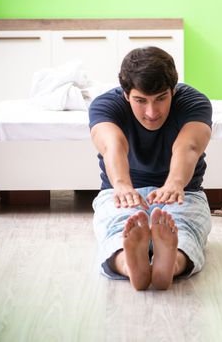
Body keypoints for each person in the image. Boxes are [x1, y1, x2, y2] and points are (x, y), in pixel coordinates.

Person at [89, 46, 213, 290]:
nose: (152, 112)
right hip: (123, 193)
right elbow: (113, 146)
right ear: (126, 95)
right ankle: (132, 265)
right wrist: (123, 185)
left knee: (184, 227)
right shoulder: (104, 105)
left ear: (173, 91)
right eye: (140, 100)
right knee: (118, 226)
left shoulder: (194, 102)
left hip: (182, 193)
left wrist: (175, 183)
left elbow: (187, 146)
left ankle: (168, 264)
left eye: (160, 99)